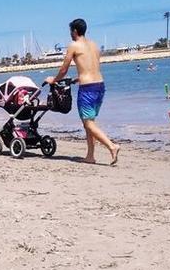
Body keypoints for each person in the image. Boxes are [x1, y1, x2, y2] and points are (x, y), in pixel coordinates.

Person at [45, 18, 119, 165]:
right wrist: (78, 79)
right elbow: (93, 67)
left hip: (87, 88)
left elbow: (63, 69)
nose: (70, 34)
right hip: (100, 85)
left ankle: (112, 146)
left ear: (75, 31)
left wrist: (53, 80)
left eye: (70, 31)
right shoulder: (94, 45)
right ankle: (90, 156)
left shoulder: (74, 45)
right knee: (90, 122)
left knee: (88, 123)